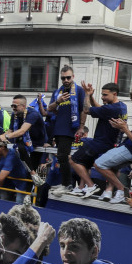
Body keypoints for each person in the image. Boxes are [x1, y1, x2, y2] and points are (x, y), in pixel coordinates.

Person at [93, 86, 132, 204]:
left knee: (98, 164)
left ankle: (122, 190)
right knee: (112, 166)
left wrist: (124, 129)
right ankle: (113, 191)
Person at [68, 82, 127, 198]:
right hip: (108, 143)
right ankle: (81, 188)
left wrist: (86, 94)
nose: (102, 97)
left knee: (73, 160)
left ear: (114, 94)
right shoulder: (121, 106)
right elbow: (100, 108)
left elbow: (86, 109)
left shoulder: (111, 109)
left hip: (101, 142)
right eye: (102, 94)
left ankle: (91, 186)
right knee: (85, 163)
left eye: (105, 95)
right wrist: (91, 95)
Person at [48, 66, 88, 195]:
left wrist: (81, 127)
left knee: (63, 156)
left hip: (70, 128)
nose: (65, 80)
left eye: (68, 77)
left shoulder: (79, 91)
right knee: (61, 157)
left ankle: (67, 184)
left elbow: (84, 109)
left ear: (73, 77)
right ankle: (65, 183)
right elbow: (49, 108)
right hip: (58, 128)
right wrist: (58, 101)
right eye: (63, 78)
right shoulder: (57, 92)